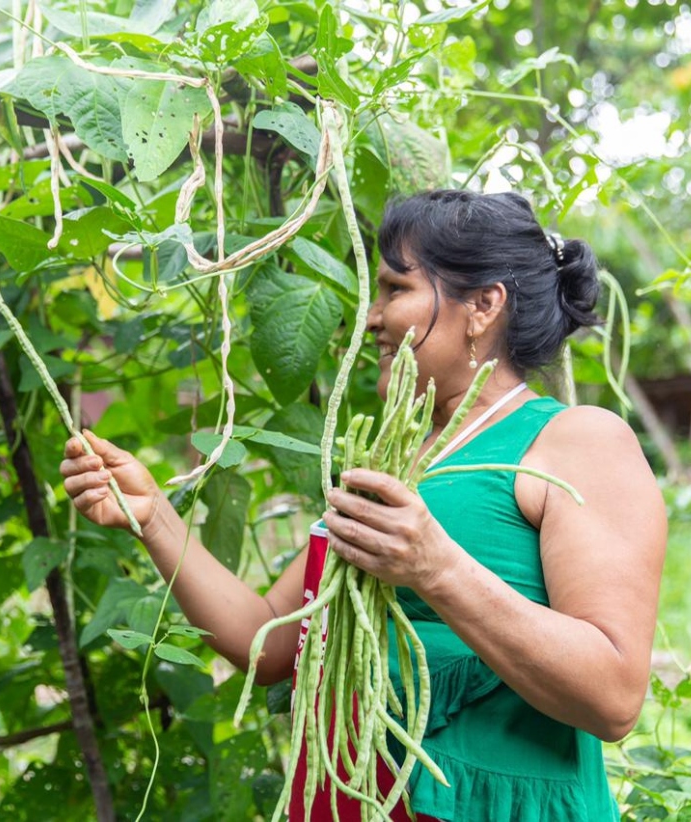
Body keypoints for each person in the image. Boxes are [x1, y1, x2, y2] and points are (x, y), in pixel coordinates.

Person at [61, 189, 666, 822]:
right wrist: (154, 514)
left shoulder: (577, 440)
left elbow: (614, 698)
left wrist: (436, 569)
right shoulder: (389, 460)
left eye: (395, 289)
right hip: (354, 798)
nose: (371, 319)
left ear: (484, 305)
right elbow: (267, 643)